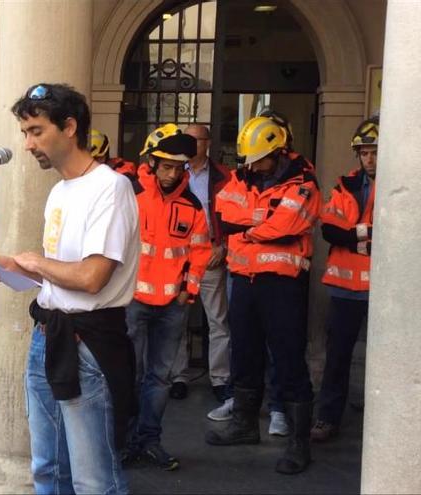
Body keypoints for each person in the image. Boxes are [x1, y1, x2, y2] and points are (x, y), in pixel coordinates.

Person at [0, 83, 139, 494]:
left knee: (92, 478)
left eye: (35, 131)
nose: (28, 143)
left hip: (89, 343)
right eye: (25, 132)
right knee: (48, 468)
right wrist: (16, 269)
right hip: (47, 336)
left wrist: (32, 260)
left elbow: (91, 278)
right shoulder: (59, 191)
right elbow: (60, 274)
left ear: (69, 127)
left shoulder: (111, 187)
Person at [206, 115, 320, 475]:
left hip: (282, 284)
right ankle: (244, 424)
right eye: (247, 160)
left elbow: (289, 224)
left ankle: (298, 442)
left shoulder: (303, 182)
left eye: (258, 159)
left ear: (278, 151)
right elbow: (225, 211)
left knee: (288, 359)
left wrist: (251, 226)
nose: (250, 166)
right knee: (244, 353)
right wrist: (263, 222)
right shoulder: (242, 177)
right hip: (245, 279)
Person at [123, 126, 211, 470]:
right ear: (152, 163)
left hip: (172, 305)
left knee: (159, 378)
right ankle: (126, 441)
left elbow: (200, 251)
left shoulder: (191, 205)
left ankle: (149, 440)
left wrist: (189, 291)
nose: (173, 174)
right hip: (133, 301)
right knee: (131, 373)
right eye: (166, 167)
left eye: (179, 168)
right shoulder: (131, 195)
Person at [312, 117, 378, 442]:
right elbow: (329, 230)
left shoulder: (398, 186)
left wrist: (352, 235)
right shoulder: (344, 185)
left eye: (375, 152)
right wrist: (367, 235)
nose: (369, 158)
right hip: (345, 289)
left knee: (384, 358)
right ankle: (327, 418)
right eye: (364, 152)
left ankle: (382, 419)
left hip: (382, 290)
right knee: (337, 356)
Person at [170, 124, 232, 403]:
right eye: (187, 140)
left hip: (210, 257)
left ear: (207, 143)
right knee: (177, 320)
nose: (191, 145)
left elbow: (235, 214)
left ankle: (220, 379)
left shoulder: (224, 176)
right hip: (178, 259)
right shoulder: (173, 173)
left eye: (197, 140)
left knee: (218, 321)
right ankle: (179, 376)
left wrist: (225, 245)